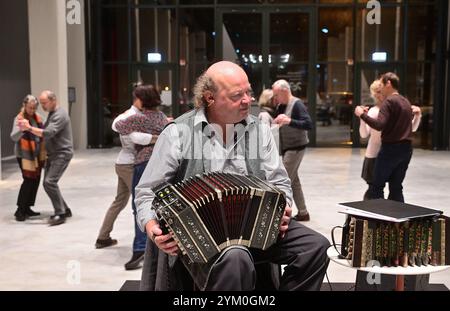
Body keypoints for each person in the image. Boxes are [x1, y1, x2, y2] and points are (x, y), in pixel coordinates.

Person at [134, 61, 330, 291]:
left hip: (259, 226)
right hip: (199, 237)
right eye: (238, 95)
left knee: (316, 247)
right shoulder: (179, 132)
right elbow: (147, 191)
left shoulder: (260, 130)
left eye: (249, 92)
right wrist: (150, 225)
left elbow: (279, 181)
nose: (248, 100)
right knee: (236, 257)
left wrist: (283, 206)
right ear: (210, 98)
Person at [114, 85, 168, 270]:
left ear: (141, 99)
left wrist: (139, 133)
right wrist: (155, 136)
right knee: (160, 205)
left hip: (143, 163)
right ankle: (158, 244)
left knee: (140, 206)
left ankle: (139, 249)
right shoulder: (162, 117)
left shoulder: (138, 118)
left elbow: (119, 126)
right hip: (162, 163)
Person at [95, 98, 156, 249]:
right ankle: (142, 246)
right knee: (141, 202)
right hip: (129, 164)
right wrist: (158, 138)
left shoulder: (137, 116)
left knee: (120, 201)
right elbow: (137, 138)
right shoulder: (128, 116)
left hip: (125, 163)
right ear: (138, 100)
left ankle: (103, 237)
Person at [354, 72, 419, 202]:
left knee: (376, 187)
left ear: (388, 83)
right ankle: (398, 221)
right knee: (396, 187)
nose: (380, 92)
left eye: (382, 86)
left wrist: (361, 115)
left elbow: (379, 125)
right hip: (406, 150)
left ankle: (376, 220)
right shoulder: (405, 102)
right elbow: (409, 128)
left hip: (390, 149)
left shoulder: (389, 102)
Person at [17, 90, 73, 226]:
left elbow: (48, 133)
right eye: (41, 103)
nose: (42, 106)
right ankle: (65, 209)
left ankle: (60, 213)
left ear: (53, 100)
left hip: (62, 153)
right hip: (53, 154)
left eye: (44, 103)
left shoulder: (60, 115)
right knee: (48, 183)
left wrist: (29, 128)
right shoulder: (52, 114)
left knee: (49, 182)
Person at [272, 80, 313, 222]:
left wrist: (289, 121)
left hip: (296, 147)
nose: (275, 98)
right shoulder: (281, 105)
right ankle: (303, 213)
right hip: (287, 147)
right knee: (294, 181)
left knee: (282, 180)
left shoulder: (297, 104)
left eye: (276, 94)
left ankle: (280, 216)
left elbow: (308, 124)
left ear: (284, 91)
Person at [10, 95, 47, 221]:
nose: (32, 110)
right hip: (24, 155)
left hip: (36, 155)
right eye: (30, 108)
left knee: (35, 180)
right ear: (24, 105)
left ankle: (27, 208)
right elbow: (13, 137)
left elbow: (44, 131)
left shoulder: (38, 117)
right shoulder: (19, 119)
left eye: (34, 108)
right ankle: (20, 210)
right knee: (28, 180)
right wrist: (22, 128)